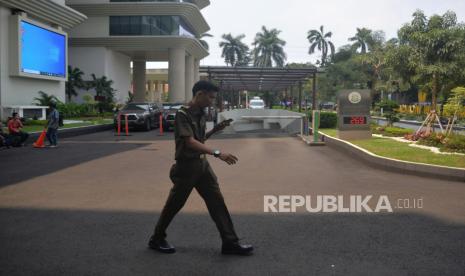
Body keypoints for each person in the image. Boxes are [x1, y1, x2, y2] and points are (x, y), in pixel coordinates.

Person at [148, 80, 253, 256]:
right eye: (210, 97)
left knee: (217, 203)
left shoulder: (201, 113)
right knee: (174, 205)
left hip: (202, 166)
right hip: (187, 167)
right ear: (199, 94)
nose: (212, 101)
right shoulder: (183, 114)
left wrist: (216, 130)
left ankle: (230, 242)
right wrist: (218, 153)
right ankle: (156, 239)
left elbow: (200, 139)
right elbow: (189, 142)